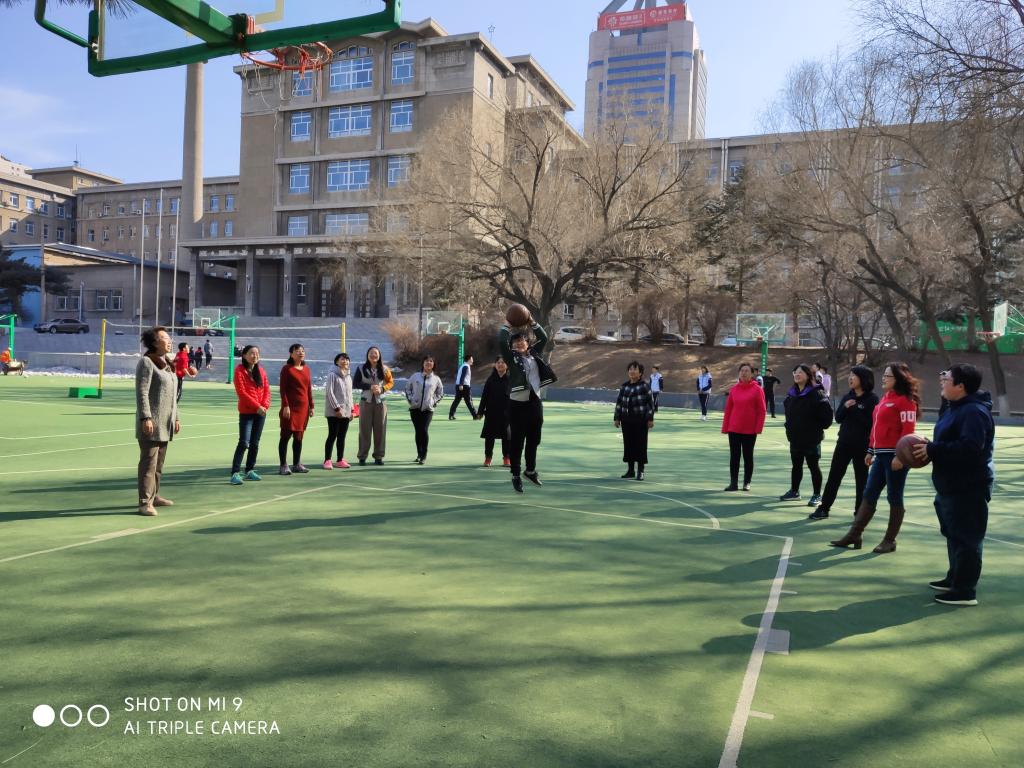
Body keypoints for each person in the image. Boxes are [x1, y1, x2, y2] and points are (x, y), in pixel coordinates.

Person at [913, 364, 995, 606]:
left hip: (968, 486)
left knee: (967, 538)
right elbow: (950, 441)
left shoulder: (973, 412)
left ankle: (965, 590)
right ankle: (955, 577)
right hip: (950, 484)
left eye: (946, 378)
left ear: (960, 386)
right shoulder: (954, 407)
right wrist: (930, 446)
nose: (942, 380)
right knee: (953, 534)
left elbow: (971, 448)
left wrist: (934, 449)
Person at [830, 362, 920, 552]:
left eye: (888, 376)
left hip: (895, 457)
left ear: (898, 378)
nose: (883, 378)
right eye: (884, 375)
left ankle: (890, 540)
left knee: (894, 496)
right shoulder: (885, 398)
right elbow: (876, 427)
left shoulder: (906, 401)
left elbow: (908, 430)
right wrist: (871, 450)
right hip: (880, 455)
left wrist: (900, 456)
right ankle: (854, 535)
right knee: (869, 493)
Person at [809, 366, 878, 520]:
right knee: (834, 476)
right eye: (850, 375)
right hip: (844, 444)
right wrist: (846, 407)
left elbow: (872, 424)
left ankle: (859, 512)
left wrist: (856, 409)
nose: (850, 378)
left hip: (862, 446)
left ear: (863, 379)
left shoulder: (872, 399)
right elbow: (838, 418)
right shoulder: (848, 396)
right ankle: (824, 508)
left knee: (862, 480)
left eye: (854, 376)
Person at [499, 315, 557, 493]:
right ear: (512, 346)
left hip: (534, 401)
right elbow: (501, 341)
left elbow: (544, 338)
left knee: (534, 438)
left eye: (521, 341)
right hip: (517, 403)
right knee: (517, 441)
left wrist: (532, 321)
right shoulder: (511, 358)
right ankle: (516, 474)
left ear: (527, 342)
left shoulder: (535, 353)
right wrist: (507, 325)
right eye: (515, 342)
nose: (518, 344)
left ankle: (530, 470)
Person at [135, 326, 181, 516]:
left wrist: (176, 417)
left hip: (165, 422)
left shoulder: (167, 363)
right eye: (165, 338)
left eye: (169, 338)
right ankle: (144, 502)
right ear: (155, 342)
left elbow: (172, 396)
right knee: (149, 464)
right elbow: (142, 392)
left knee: (159, 464)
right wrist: (146, 417)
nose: (169, 341)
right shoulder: (147, 362)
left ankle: (154, 496)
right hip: (151, 422)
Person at [779, 364, 833, 504]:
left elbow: (827, 417)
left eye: (800, 372)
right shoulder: (791, 394)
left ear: (808, 375)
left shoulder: (817, 393)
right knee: (796, 465)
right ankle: (794, 491)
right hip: (795, 438)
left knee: (813, 466)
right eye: (795, 372)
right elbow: (788, 414)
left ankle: (817, 495)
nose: (797, 374)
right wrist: (789, 428)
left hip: (811, 439)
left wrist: (816, 428)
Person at [721, 363, 767, 492]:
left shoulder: (757, 389)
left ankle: (747, 482)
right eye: (742, 370)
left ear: (752, 374)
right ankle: (733, 483)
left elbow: (762, 410)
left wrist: (758, 428)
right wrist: (725, 427)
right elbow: (728, 410)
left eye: (747, 371)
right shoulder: (734, 389)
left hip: (750, 430)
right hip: (734, 429)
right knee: (734, 456)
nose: (744, 373)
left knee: (748, 456)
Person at [230, 345, 271, 485]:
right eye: (251, 353)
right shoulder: (239, 371)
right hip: (247, 413)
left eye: (257, 353)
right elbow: (242, 393)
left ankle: (249, 470)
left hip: (261, 413)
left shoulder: (261, 371)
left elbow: (267, 390)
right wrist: (257, 406)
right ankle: (235, 472)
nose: (255, 356)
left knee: (255, 443)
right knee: (244, 442)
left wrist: (264, 406)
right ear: (244, 355)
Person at [614, 361, 656, 481]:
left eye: (635, 369)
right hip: (626, 420)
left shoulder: (644, 386)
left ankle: (640, 471)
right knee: (629, 445)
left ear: (640, 372)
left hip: (641, 420)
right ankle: (630, 470)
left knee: (640, 445)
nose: (632, 371)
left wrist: (650, 418)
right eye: (630, 369)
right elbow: (619, 403)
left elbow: (650, 403)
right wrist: (617, 417)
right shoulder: (624, 386)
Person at [353, 346, 394, 465]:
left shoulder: (385, 369)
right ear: (367, 355)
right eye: (371, 353)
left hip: (381, 403)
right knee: (364, 430)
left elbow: (391, 382)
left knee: (380, 429)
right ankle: (362, 456)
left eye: (375, 353)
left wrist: (382, 389)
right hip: (366, 402)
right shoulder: (361, 368)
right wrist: (369, 387)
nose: (373, 355)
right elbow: (355, 383)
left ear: (379, 355)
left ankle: (378, 456)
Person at [278, 343, 314, 475]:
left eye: (302, 351)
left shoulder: (307, 369)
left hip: (303, 409)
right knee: (285, 436)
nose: (301, 353)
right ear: (291, 354)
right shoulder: (287, 369)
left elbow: (308, 389)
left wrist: (311, 406)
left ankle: (297, 464)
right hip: (290, 408)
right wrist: (285, 406)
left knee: (299, 437)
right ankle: (283, 465)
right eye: (297, 351)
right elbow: (283, 390)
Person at [406, 355, 445, 464]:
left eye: (431, 361)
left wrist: (433, 402)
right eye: (426, 361)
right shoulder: (415, 376)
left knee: (424, 430)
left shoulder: (436, 379)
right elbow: (407, 388)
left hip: (428, 409)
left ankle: (424, 455)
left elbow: (440, 393)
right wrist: (411, 400)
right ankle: (419, 454)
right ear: (423, 363)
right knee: (418, 431)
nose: (428, 363)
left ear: (433, 364)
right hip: (415, 409)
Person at [476, 356, 511, 467]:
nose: (500, 364)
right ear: (495, 365)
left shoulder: (511, 380)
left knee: (507, 437)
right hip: (491, 413)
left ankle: (506, 458)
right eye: (498, 362)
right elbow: (484, 397)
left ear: (507, 365)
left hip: (507, 414)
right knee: (489, 437)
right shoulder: (490, 380)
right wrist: (480, 411)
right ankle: (488, 458)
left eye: (503, 362)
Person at [323, 352, 354, 469]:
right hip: (334, 412)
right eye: (342, 359)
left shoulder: (349, 377)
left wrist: (352, 410)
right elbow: (329, 392)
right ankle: (327, 460)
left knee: (342, 436)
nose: (345, 361)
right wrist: (337, 408)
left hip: (346, 412)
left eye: (347, 359)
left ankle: (340, 460)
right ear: (337, 362)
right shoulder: (332, 375)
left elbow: (350, 395)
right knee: (332, 435)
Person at [448, 354, 477, 420]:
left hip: (459, 385)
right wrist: (461, 385)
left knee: (456, 401)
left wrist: (460, 385)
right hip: (464, 386)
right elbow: (463, 376)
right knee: (469, 401)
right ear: (469, 359)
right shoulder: (466, 366)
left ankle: (451, 415)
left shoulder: (463, 365)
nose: (473, 360)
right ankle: (475, 416)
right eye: (472, 359)